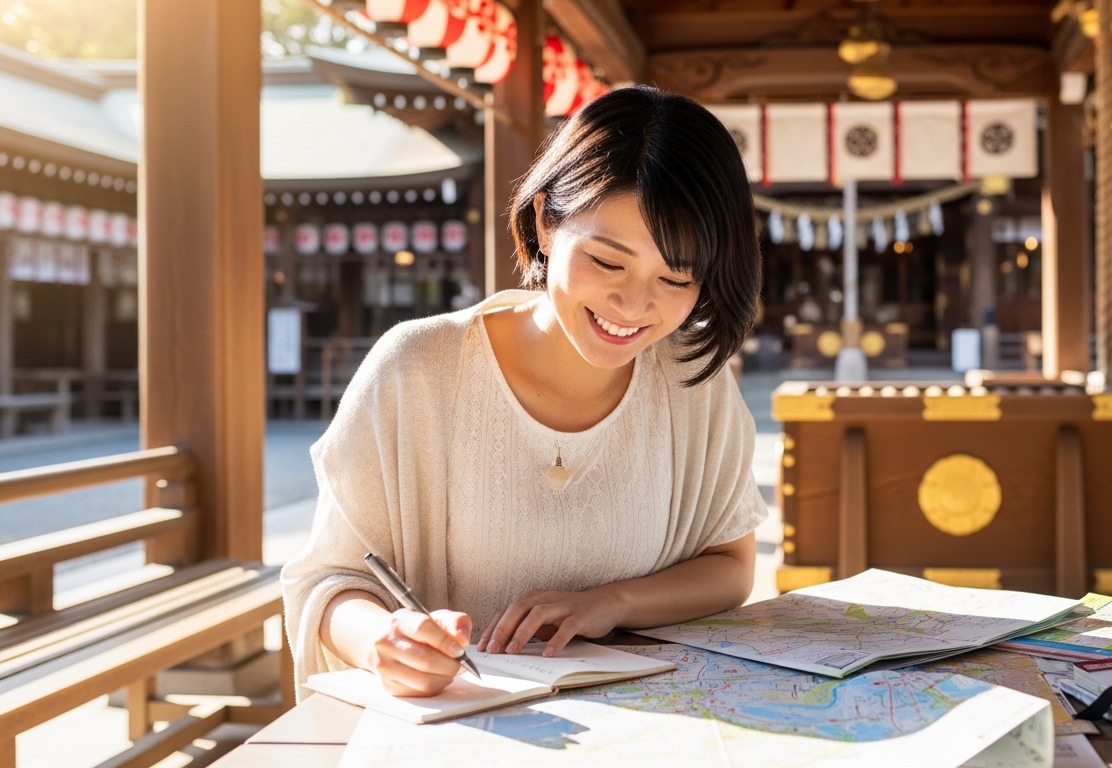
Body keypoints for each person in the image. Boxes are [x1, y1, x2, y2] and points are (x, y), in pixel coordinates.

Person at [281, 86, 767, 699]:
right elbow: (331, 581)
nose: (634, 305)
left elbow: (730, 567)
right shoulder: (419, 370)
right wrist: (385, 640)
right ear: (544, 220)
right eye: (608, 262)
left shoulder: (693, 380)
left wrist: (612, 604)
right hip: (459, 729)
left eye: (675, 278)